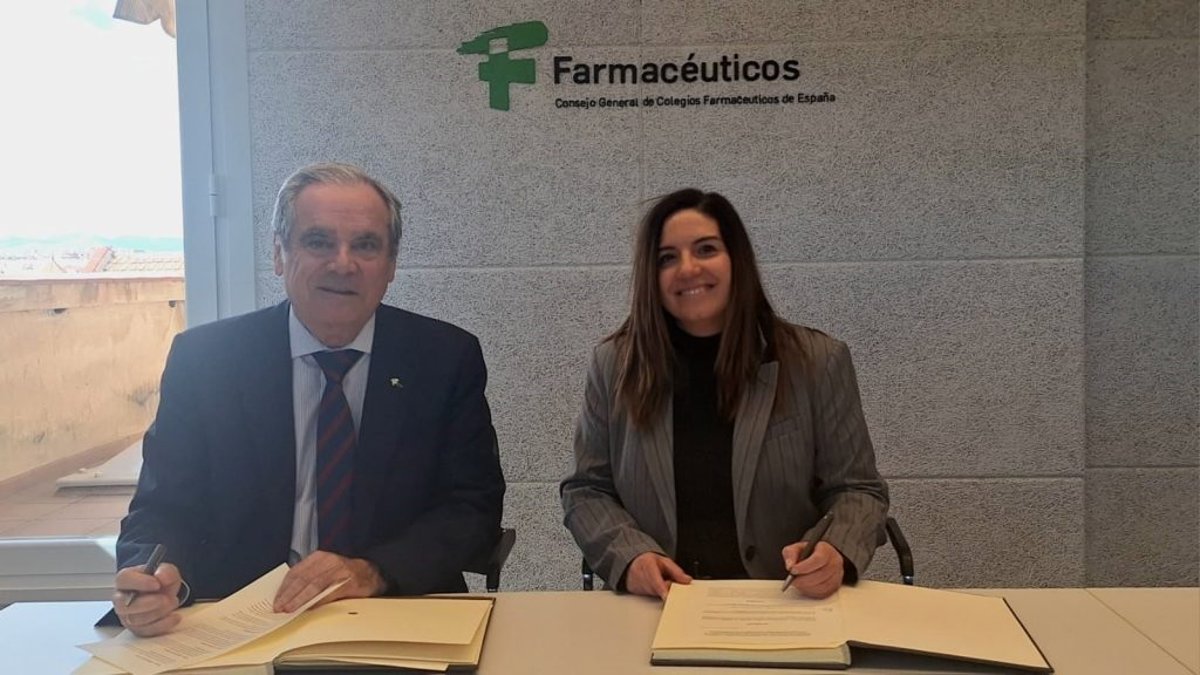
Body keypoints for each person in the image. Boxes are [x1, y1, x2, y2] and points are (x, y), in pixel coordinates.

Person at [112, 163, 505, 636]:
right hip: (238, 619)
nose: (343, 264)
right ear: (279, 253)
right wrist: (154, 577)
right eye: (318, 242)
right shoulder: (206, 361)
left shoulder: (444, 358)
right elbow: (162, 508)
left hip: (395, 611)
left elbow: (472, 509)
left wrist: (372, 571)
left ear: (391, 265)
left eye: (366, 245)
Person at [561, 188, 888, 600]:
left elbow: (858, 490)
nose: (688, 268)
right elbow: (587, 490)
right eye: (667, 258)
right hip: (658, 603)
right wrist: (630, 557)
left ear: (736, 259)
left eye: (706, 249)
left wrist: (835, 549)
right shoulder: (614, 365)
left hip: (782, 600)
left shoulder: (817, 362)